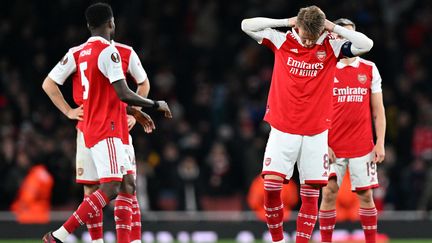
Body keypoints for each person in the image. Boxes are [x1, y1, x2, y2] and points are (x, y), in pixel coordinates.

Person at [241, 6, 373, 243]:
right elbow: (246, 25)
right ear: (297, 27)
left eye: (313, 38)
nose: (309, 43)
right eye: (305, 37)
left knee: (310, 194)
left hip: (316, 131)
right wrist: (286, 21)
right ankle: (278, 240)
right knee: (271, 186)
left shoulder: (331, 44)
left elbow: (366, 44)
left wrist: (331, 26)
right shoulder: (281, 39)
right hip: (283, 127)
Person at [43, 3, 172, 243]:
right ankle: (64, 236)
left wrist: (133, 112)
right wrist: (154, 104)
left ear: (88, 25)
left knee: (127, 184)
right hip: (106, 126)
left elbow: (119, 92)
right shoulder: (109, 53)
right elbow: (122, 92)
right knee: (108, 187)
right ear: (112, 23)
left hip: (99, 124)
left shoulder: (86, 52)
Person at [318, 18, 386, 243]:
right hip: (332, 145)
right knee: (328, 193)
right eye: (342, 34)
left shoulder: (369, 68)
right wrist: (322, 143)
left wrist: (380, 142)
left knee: (366, 195)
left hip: (361, 145)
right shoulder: (326, 67)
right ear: (335, 37)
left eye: (351, 34)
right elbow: (316, 110)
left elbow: (378, 110)